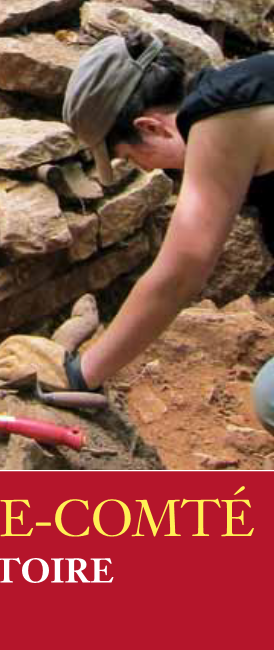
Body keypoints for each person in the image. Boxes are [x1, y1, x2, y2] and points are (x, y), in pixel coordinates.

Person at [60, 33, 274, 434]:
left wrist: (80, 374)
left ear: (151, 128)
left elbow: (181, 272)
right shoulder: (255, 85)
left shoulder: (220, 118)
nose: (146, 170)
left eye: (129, 156)